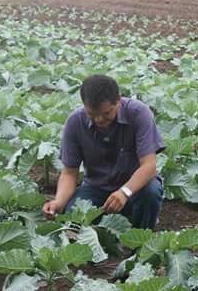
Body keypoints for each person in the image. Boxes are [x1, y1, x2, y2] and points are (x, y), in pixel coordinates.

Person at [42, 75, 165, 229]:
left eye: (106, 113)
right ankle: (107, 237)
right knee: (74, 217)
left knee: (150, 193)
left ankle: (141, 239)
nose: (99, 119)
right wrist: (58, 202)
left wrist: (124, 192)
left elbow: (149, 166)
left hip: (134, 187)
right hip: (96, 189)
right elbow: (69, 173)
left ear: (118, 101)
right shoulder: (75, 122)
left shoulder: (138, 114)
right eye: (92, 114)